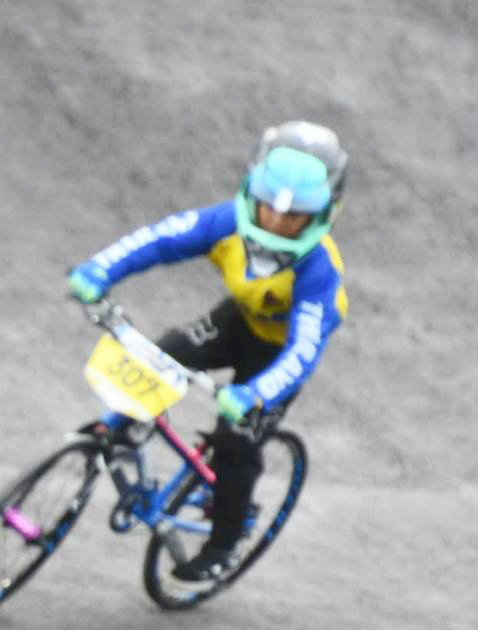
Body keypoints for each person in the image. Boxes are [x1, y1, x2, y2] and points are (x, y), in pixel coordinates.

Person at [65, 120, 348, 582]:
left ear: (320, 216)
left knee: (236, 442)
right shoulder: (228, 222)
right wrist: (100, 270)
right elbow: (161, 239)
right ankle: (119, 427)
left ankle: (225, 541)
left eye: (292, 217)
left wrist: (255, 395)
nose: (274, 222)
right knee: (160, 355)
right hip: (238, 321)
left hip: (274, 356)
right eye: (267, 209)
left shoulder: (319, 274)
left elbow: (301, 354)